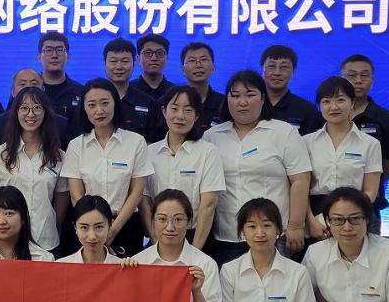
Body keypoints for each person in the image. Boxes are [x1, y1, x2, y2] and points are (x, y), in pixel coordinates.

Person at [202, 70, 312, 265]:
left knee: (277, 283)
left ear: (263, 98)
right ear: (227, 100)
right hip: (227, 234)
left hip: (274, 233)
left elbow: (300, 180)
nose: (242, 102)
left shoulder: (284, 132)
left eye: (250, 95)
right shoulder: (212, 136)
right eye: (235, 96)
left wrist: (296, 225)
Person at [61, 80, 154, 257]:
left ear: (115, 103)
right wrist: (94, 229)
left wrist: (111, 231)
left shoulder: (136, 142)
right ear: (84, 108)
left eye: (105, 103)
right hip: (89, 230)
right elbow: (76, 195)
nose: (99, 110)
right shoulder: (76, 146)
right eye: (92, 105)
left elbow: (137, 193)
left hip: (126, 226)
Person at [0, 87, 68, 255]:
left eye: (37, 108)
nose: (31, 114)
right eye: (24, 108)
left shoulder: (59, 156)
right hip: (7, 241)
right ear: (15, 112)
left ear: (45, 113)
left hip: (45, 239)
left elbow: (61, 200)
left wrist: (53, 224)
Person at [141, 86, 224, 252]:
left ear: (197, 115)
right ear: (164, 112)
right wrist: (156, 241)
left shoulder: (208, 152)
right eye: (174, 108)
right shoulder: (149, 152)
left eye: (188, 110)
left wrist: (194, 252)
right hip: (159, 237)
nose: (180, 116)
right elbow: (144, 201)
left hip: (195, 237)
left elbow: (208, 205)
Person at [303, 77, 382, 241]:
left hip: (355, 216)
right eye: (326, 101)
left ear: (352, 102)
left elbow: (371, 192)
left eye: (340, 100)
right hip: (315, 218)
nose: (333, 107)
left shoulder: (370, 144)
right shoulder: (306, 142)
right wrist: (312, 221)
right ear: (319, 106)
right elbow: (300, 187)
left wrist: (345, 216)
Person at [341, 54, 389, 233]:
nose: (358, 80)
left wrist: (370, 182)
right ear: (341, 79)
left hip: (369, 205)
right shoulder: (327, 116)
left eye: (364, 75)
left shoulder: (388, 119)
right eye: (352, 75)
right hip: (328, 202)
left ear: (372, 80)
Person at [0, 68, 75, 154]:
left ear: (43, 90)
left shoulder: (61, 124)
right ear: (13, 92)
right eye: (22, 84)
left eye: (34, 84)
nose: (28, 88)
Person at [100, 37, 159, 142]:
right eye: (113, 61)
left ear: (134, 64)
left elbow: (153, 142)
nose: (119, 66)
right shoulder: (93, 100)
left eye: (125, 61)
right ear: (104, 64)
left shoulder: (147, 102)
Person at [260, 45, 321, 136]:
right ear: (262, 70)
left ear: (293, 72)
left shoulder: (307, 109)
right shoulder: (251, 106)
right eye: (272, 66)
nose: (277, 73)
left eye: (284, 67)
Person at [56, 195, 134, 265]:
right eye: (84, 227)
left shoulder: (121, 266)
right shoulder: (61, 266)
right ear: (75, 227)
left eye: (99, 227)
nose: (92, 236)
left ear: (110, 225)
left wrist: (132, 270)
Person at [37, 31, 84, 119]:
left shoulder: (81, 92)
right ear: (39, 57)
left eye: (59, 50)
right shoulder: (31, 90)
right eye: (48, 50)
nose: (54, 55)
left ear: (68, 56)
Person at [181, 42, 224, 130]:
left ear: (213, 67)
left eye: (204, 59)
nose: (198, 65)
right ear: (183, 70)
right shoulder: (172, 102)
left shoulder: (224, 103)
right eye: (192, 60)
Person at [132, 33, 176, 100]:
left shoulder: (175, 93)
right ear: (138, 59)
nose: (154, 58)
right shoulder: (129, 90)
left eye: (160, 53)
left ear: (167, 59)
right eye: (148, 53)